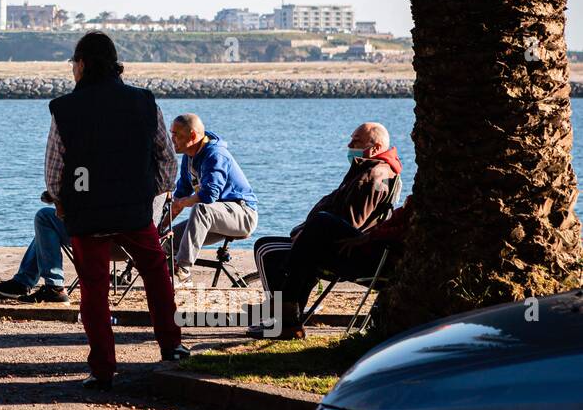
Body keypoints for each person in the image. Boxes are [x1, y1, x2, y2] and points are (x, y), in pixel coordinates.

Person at [48, 33, 188, 391]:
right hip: (134, 211)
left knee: (94, 289)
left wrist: (62, 201)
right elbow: (167, 162)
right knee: (156, 275)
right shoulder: (143, 102)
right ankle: (172, 345)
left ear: (81, 65)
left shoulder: (64, 109)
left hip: (87, 214)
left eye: (73, 65)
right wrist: (149, 192)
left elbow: (55, 169)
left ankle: (102, 369)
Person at [0, 111, 176, 304]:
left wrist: (61, 196)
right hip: (140, 243)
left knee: (45, 219)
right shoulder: (155, 172)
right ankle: (24, 282)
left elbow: (87, 198)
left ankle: (52, 286)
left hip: (101, 241)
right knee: (50, 224)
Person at [252, 121, 403, 336]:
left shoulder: (373, 177)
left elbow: (350, 222)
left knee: (271, 252)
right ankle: (286, 320)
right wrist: (303, 230)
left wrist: (308, 232)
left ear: (376, 148)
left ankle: (284, 321)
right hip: (332, 243)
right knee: (267, 245)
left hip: (347, 252)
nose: (349, 145)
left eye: (356, 141)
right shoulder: (365, 170)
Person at [168, 114, 258, 287]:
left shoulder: (215, 155)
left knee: (201, 209)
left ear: (193, 136)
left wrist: (182, 202)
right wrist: (159, 228)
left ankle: (183, 269)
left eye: (176, 135)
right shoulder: (189, 156)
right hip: (216, 217)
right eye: (171, 134)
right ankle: (181, 280)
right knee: (168, 242)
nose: (172, 139)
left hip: (243, 214)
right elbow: (179, 195)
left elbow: (209, 195)